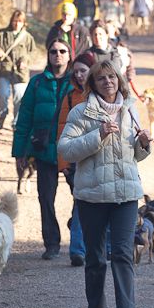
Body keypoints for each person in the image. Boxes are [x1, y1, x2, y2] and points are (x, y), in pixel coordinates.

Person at [58, 60, 152, 308]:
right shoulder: (81, 112)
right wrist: (96, 135)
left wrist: (144, 144)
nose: (108, 82)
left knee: (123, 254)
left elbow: (135, 155)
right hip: (92, 197)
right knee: (96, 258)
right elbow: (66, 149)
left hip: (126, 195)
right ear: (93, 84)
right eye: (101, 79)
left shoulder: (130, 110)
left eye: (112, 77)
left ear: (119, 81)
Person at [12, 38, 73, 260]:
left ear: (69, 55)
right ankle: (52, 243)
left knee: (83, 198)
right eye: (53, 51)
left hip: (73, 151)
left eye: (62, 51)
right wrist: (19, 152)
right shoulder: (37, 83)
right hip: (44, 149)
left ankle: (79, 241)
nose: (57, 54)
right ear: (48, 55)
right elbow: (24, 117)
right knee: (45, 199)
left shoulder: (78, 83)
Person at [57, 51, 95, 267]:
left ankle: (106, 247)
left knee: (105, 204)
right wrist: (64, 165)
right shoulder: (70, 97)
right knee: (80, 205)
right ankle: (77, 250)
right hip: (77, 162)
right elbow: (61, 132)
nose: (80, 75)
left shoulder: (105, 94)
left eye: (84, 70)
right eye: (77, 71)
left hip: (101, 160)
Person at [0, 9, 36, 130]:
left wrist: (25, 61)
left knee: (19, 98)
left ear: (24, 22)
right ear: (11, 21)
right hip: (4, 70)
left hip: (21, 73)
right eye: (15, 21)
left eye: (20, 21)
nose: (17, 24)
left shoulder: (27, 37)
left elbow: (33, 53)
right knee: (2, 94)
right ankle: (3, 113)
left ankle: (16, 122)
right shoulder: (2, 34)